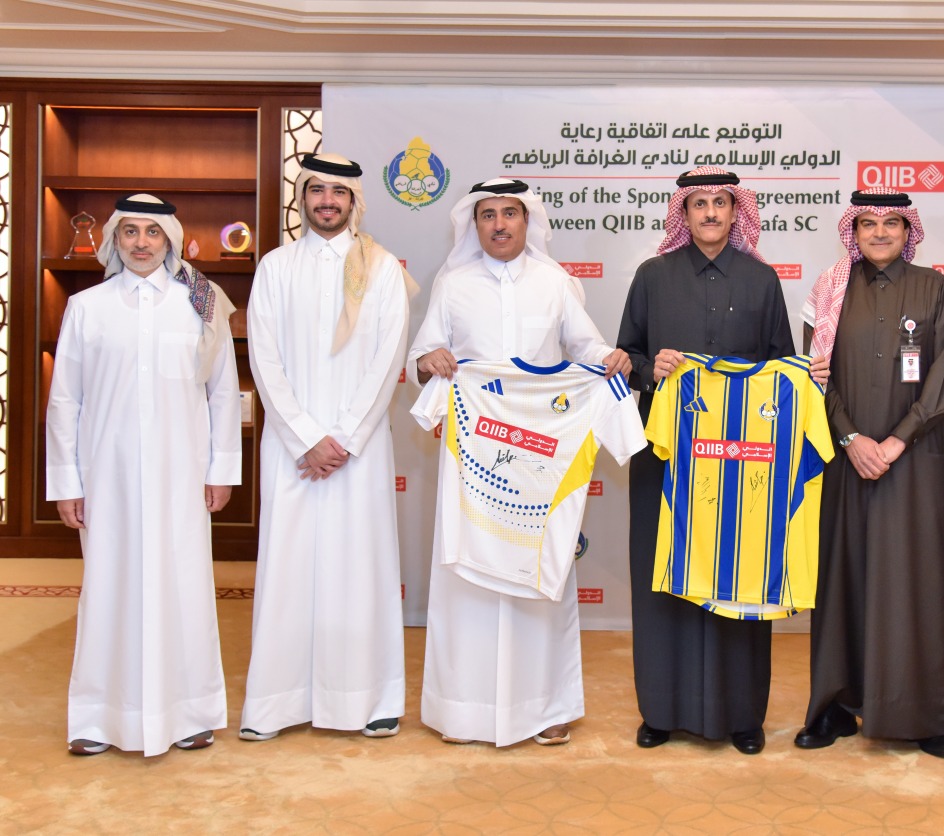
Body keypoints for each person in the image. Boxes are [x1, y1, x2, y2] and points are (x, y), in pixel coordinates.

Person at [408, 177, 631, 747]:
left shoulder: (555, 282)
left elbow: (585, 347)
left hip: (538, 464)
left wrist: (608, 358)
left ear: (528, 222)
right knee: (469, 578)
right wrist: (428, 359)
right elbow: (423, 352)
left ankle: (545, 707)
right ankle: (463, 710)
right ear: (473, 223)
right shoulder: (452, 284)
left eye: (511, 213)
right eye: (488, 215)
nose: (500, 224)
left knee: (540, 576)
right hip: (474, 458)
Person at [616, 166, 806, 755]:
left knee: (743, 576)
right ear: (684, 212)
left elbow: (783, 366)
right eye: (699, 204)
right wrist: (653, 369)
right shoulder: (652, 276)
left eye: (721, 203)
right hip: (668, 457)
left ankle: (742, 715)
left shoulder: (762, 279)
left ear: (735, 211)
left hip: (743, 463)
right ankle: (662, 711)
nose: (711, 214)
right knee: (663, 579)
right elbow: (627, 354)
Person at [46, 193, 241, 756]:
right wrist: (67, 482)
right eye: (129, 231)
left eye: (151, 233)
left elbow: (223, 393)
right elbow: (65, 402)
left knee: (183, 588)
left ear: (170, 240)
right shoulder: (87, 307)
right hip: (106, 478)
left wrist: (221, 469)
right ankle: (97, 718)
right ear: (113, 240)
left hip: (182, 477)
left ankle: (191, 713)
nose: (140, 243)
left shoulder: (201, 304)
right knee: (108, 589)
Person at [240, 153, 410, 741]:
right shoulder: (274, 266)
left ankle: (369, 701)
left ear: (355, 201)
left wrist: (344, 438)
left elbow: (389, 359)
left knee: (359, 569)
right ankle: (276, 703)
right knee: (288, 569)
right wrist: (306, 437)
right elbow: (263, 359)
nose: (327, 202)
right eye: (317, 191)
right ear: (302, 199)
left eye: (338, 192)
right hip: (292, 450)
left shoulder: (383, 269)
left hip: (357, 452)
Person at [796, 187, 944, 759]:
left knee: (912, 583)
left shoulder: (933, 286)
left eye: (892, 223)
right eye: (868, 223)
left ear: (908, 230)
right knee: (842, 579)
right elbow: (813, 377)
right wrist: (849, 437)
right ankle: (834, 708)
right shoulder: (829, 288)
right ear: (854, 230)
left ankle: (919, 718)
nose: (881, 233)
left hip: (913, 461)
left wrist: (894, 441)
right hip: (845, 459)